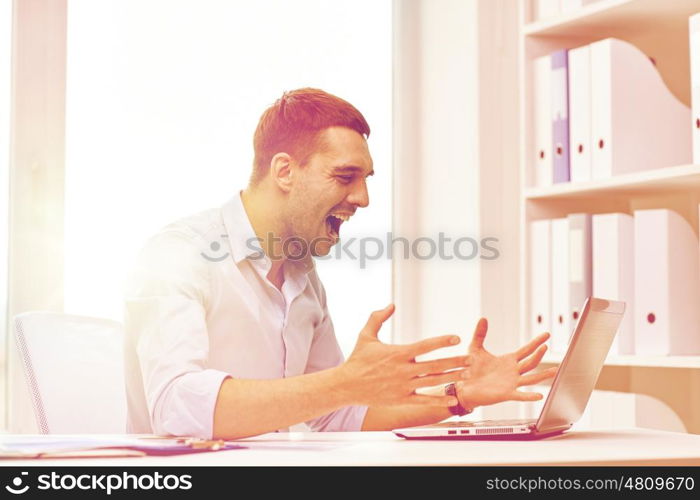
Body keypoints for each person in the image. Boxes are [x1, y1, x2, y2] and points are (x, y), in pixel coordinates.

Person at [124, 88, 556, 440]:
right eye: (345, 177)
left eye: (366, 180)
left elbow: (337, 415)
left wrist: (459, 396)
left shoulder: (301, 276)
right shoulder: (179, 254)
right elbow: (175, 408)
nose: (362, 199)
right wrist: (346, 382)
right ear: (285, 172)